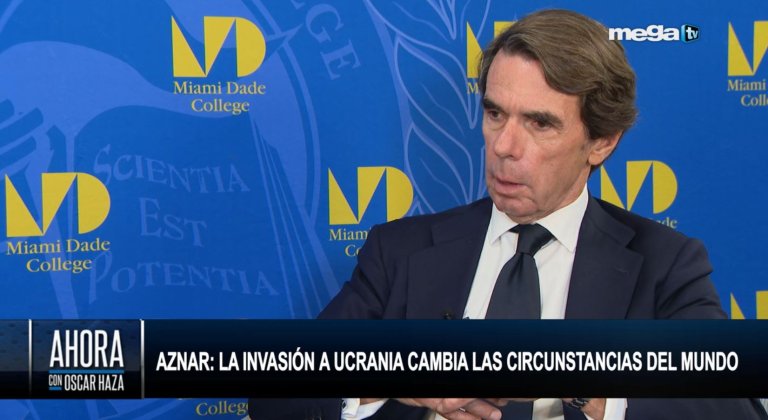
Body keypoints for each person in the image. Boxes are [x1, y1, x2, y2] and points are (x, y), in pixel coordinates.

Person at [249, 9, 767, 420]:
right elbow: (276, 398)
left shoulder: (664, 264)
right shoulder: (400, 251)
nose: (504, 146)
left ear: (602, 142)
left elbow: (736, 408)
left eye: (540, 124)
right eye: (495, 113)